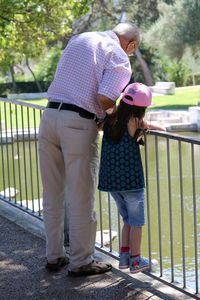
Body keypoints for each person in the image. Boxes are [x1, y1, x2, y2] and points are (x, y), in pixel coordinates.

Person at [38, 22, 140, 276]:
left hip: (49, 117)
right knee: (81, 198)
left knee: (52, 195)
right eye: (133, 51)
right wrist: (114, 117)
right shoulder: (117, 55)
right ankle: (81, 261)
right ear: (131, 44)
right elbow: (105, 97)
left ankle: (54, 256)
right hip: (78, 125)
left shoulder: (81, 39)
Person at [98, 82, 166, 273]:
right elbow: (158, 127)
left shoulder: (110, 120)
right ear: (141, 108)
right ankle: (136, 262)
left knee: (127, 220)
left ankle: (124, 258)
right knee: (137, 223)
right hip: (132, 183)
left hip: (112, 183)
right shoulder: (135, 121)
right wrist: (164, 128)